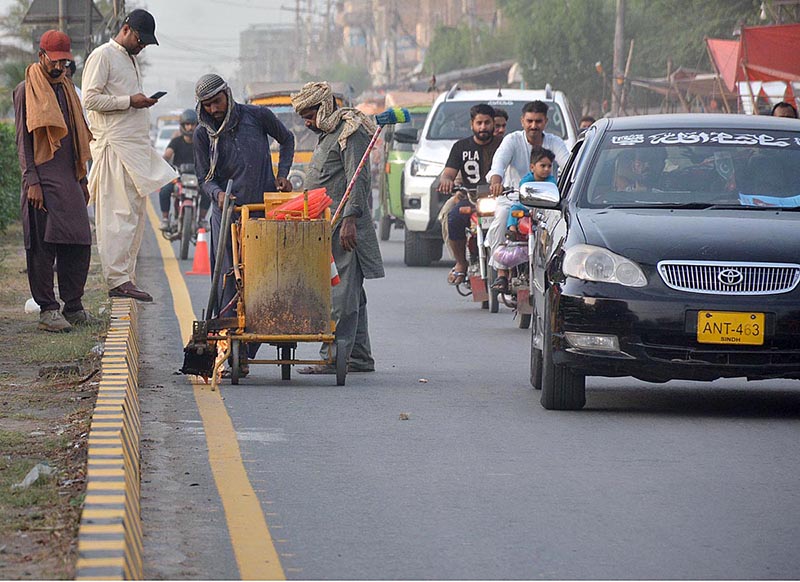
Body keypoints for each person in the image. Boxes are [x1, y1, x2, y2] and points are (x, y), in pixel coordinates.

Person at [194, 73, 295, 371]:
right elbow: (204, 179)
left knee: (262, 281)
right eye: (208, 105)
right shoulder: (203, 134)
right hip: (226, 215)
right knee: (227, 281)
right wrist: (217, 195)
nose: (214, 110)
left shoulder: (257, 116)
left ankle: (246, 352)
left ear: (227, 94)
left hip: (261, 212)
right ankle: (229, 349)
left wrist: (283, 174)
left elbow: (287, 139)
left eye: (217, 101)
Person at [82, 9, 176, 302]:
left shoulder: (129, 58)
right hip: (114, 148)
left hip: (131, 148)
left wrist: (139, 102)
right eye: (140, 39)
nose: (142, 45)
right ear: (126, 29)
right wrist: (129, 101)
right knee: (116, 215)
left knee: (133, 215)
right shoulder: (103, 56)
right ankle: (117, 280)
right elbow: (90, 99)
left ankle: (125, 276)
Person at [291, 81, 384, 374]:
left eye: (310, 114)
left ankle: (334, 356)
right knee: (353, 294)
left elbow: (358, 179)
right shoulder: (326, 134)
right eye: (303, 116)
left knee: (342, 294)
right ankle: (357, 356)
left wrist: (350, 220)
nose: (307, 122)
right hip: (324, 226)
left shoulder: (350, 132)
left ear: (324, 107)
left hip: (343, 226)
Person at [13, 30, 95, 332]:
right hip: (41, 180)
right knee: (41, 248)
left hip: (68, 178)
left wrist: (82, 178)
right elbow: (23, 142)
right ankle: (48, 310)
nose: (59, 67)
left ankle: (73, 306)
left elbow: (75, 138)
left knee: (79, 242)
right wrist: (31, 180)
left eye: (64, 62)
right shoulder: (26, 90)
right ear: (41, 56)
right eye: (54, 61)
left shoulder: (67, 90)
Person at [485, 101, 570, 292]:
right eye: (529, 121)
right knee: (500, 219)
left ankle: (556, 271)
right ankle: (501, 273)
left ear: (545, 122)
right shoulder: (512, 140)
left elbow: (567, 165)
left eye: (538, 121)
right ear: (522, 121)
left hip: (546, 201)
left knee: (562, 226)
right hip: (514, 199)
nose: (534, 126)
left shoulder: (554, 142)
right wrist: (496, 183)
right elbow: (498, 164)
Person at [436, 103, 500, 285]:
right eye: (479, 123)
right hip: (471, 199)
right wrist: (447, 180)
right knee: (453, 217)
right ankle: (461, 263)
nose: (483, 127)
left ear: (493, 124)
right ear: (472, 124)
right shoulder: (460, 147)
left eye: (487, 123)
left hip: (500, 200)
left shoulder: (503, 145)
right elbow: (448, 172)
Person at [159, 109, 208, 230]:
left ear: (197, 125)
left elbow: (209, 157)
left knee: (208, 192)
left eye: (192, 124)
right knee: (164, 191)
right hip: (179, 177)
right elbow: (167, 155)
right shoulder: (176, 141)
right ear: (182, 126)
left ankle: (202, 219)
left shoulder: (201, 142)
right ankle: (165, 219)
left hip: (198, 178)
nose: (190, 127)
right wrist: (163, 163)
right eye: (187, 124)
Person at [507, 148, 557, 237]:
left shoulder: (550, 180)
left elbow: (552, 188)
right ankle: (512, 230)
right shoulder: (527, 180)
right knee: (514, 208)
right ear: (532, 167)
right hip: (528, 206)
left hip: (544, 207)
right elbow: (524, 188)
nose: (546, 169)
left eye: (549, 166)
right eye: (543, 166)